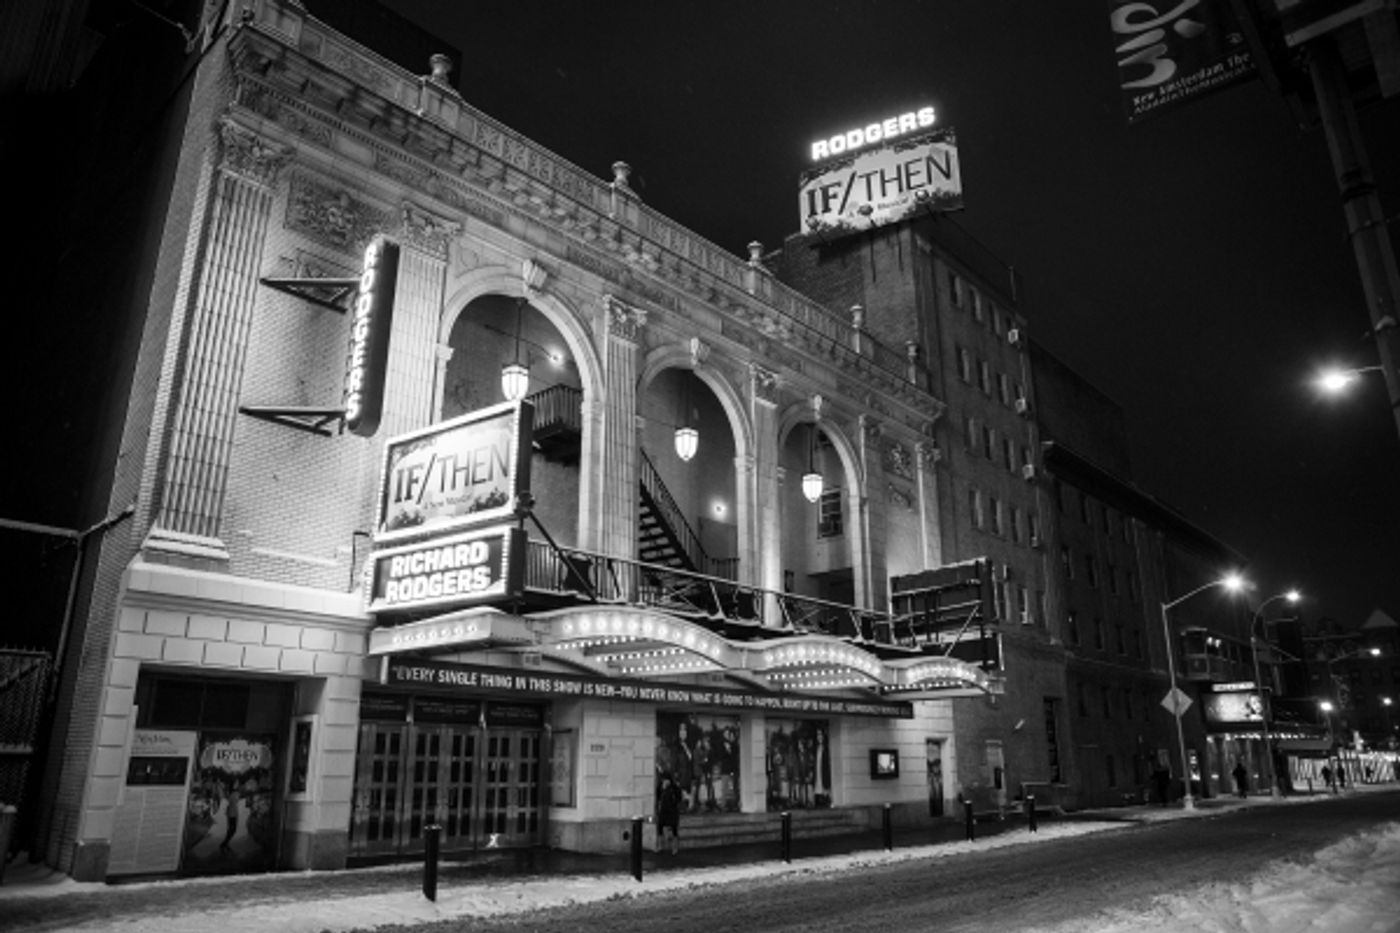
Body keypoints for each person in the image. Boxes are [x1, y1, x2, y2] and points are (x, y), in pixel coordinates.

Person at [656, 772, 682, 855]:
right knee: (660, 827)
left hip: (672, 811)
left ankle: (675, 848)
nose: (665, 781)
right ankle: (660, 846)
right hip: (663, 811)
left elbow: (678, 798)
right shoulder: (660, 787)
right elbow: (658, 796)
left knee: (674, 829)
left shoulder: (674, 788)